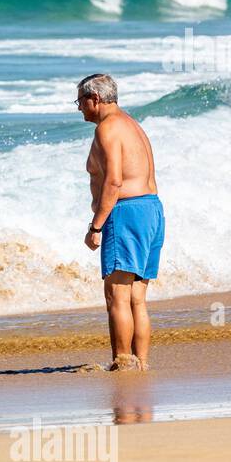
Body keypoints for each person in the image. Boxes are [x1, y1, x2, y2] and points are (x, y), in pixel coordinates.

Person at [77, 74, 164, 371]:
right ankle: (141, 364)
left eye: (80, 101)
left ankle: (123, 364)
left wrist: (96, 226)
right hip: (151, 209)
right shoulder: (132, 124)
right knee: (136, 298)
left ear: (95, 100)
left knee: (117, 294)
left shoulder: (108, 128)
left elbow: (113, 181)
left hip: (126, 212)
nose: (79, 109)